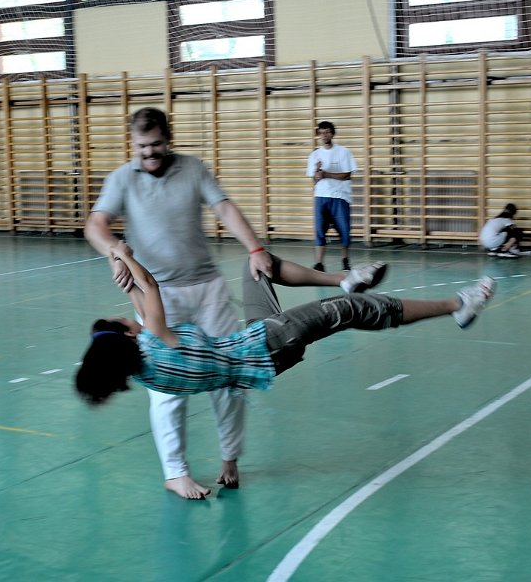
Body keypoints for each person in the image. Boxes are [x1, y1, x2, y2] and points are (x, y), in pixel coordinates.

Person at [76, 241, 495, 433]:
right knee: (353, 310)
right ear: (126, 335)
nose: (128, 316)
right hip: (269, 344)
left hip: (254, 346)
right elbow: (150, 289)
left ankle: (343, 278)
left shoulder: (149, 369)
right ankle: (458, 305)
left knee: (257, 264)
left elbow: (140, 302)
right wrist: (125, 254)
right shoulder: (155, 341)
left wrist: (123, 277)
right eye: (122, 320)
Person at [84, 107, 273, 500]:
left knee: (231, 374)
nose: (149, 153)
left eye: (155, 145)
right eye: (141, 146)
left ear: (168, 140)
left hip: (207, 290)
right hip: (158, 296)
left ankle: (230, 459)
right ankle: (175, 473)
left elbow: (224, 207)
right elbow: (95, 225)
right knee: (167, 390)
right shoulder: (122, 178)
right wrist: (114, 252)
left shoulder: (193, 168)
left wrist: (255, 248)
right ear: (133, 144)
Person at [306, 121, 358, 272]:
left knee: (344, 230)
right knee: (320, 230)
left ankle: (345, 260)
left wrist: (326, 174)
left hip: (340, 196)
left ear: (332, 134)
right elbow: (314, 179)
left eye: (327, 132)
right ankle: (319, 263)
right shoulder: (315, 155)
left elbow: (347, 175)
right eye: (321, 133)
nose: (324, 135)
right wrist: (317, 174)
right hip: (321, 196)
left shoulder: (344, 152)